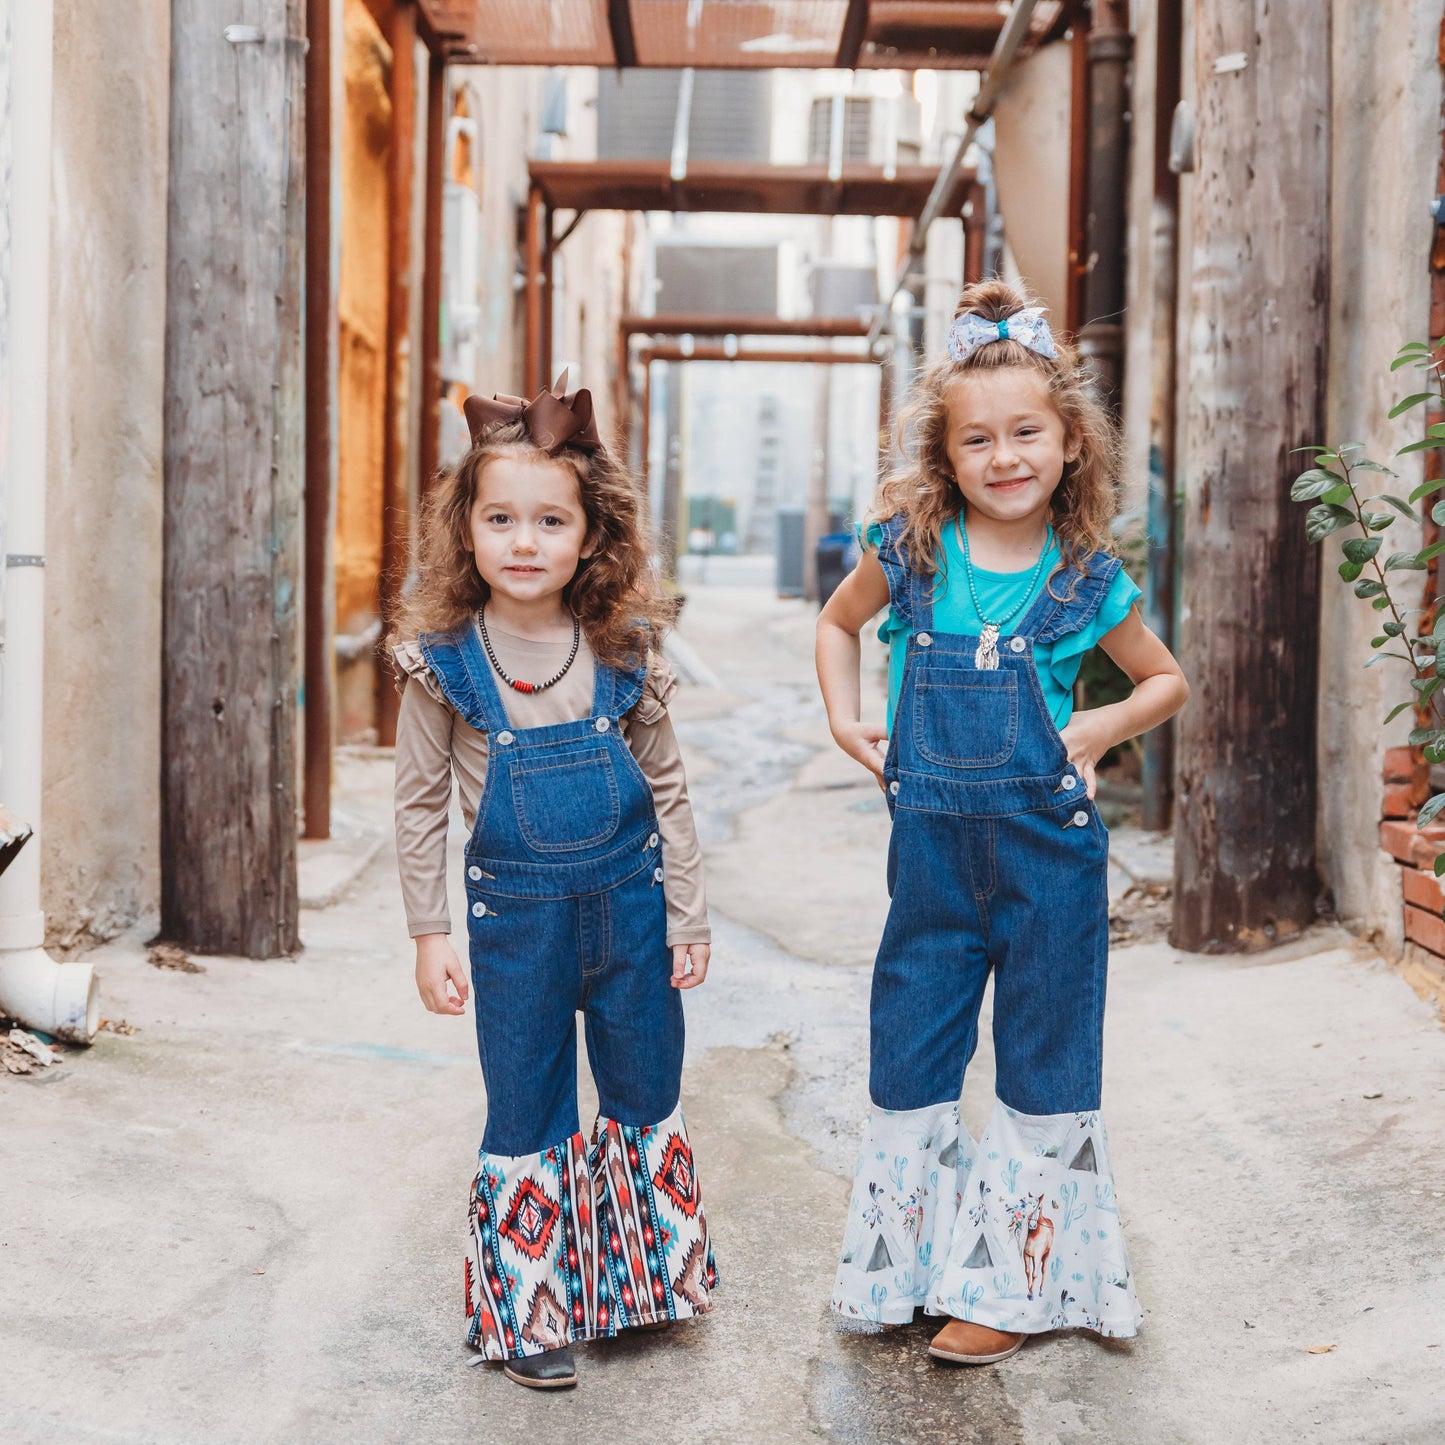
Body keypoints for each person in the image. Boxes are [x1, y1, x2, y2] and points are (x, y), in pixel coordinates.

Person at [816, 281, 1189, 1365]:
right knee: (910, 1050)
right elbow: (838, 625)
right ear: (946, 454)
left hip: (1047, 860)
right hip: (928, 859)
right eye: (975, 438)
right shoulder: (911, 553)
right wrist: (843, 717)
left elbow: (1163, 680)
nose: (1003, 454)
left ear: (1068, 441)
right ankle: (913, 1264)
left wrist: (1101, 725)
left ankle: (1011, 1288)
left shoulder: (1087, 580)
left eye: (1025, 431)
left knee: (1041, 1059)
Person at [390, 376, 717, 1390]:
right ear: (466, 532)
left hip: (629, 910)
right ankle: (528, 1310)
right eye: (500, 518)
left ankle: (637, 1279)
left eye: (548, 519)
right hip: (515, 923)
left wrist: (686, 916)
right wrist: (429, 931)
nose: (523, 540)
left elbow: (666, 788)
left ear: (590, 535)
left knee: (641, 1085)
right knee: (528, 1097)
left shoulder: (623, 649)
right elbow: (418, 804)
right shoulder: (443, 662)